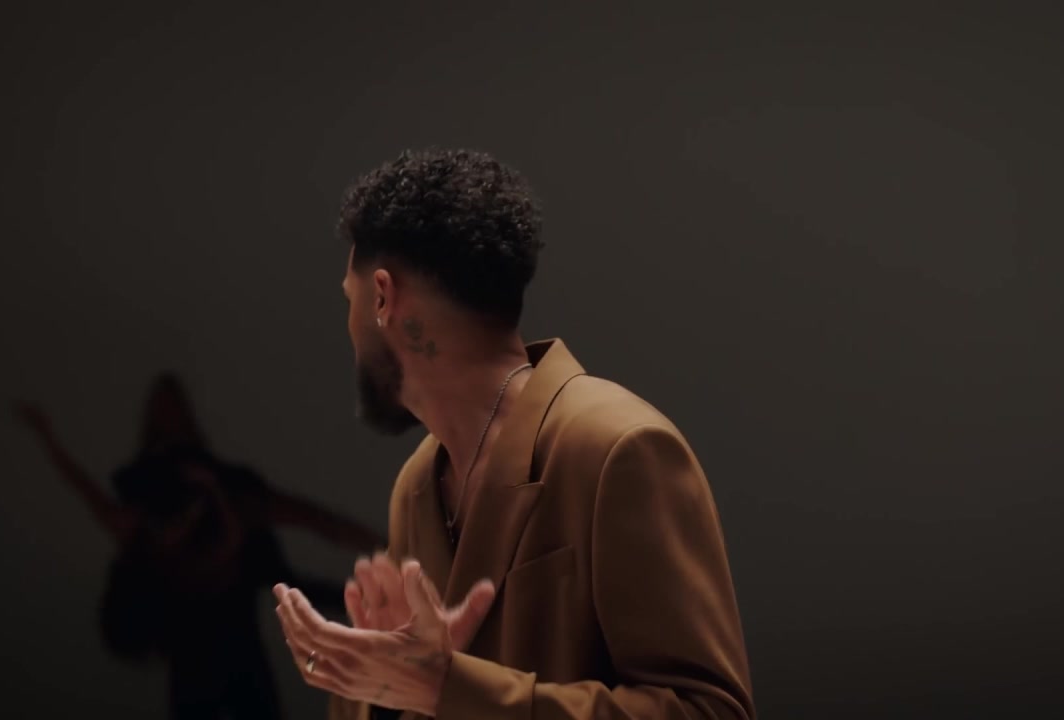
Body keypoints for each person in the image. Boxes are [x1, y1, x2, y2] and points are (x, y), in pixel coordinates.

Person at [272, 148, 755, 719]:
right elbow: (430, 692)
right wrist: (375, 686)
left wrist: (446, 686)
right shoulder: (417, 486)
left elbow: (710, 711)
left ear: (382, 296)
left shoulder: (617, 447)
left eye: (349, 300)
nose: (349, 329)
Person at [21, 373, 386, 720]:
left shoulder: (229, 498)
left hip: (233, 646)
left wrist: (387, 545)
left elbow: (317, 522)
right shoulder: (151, 510)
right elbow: (96, 499)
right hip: (196, 654)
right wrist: (47, 439)